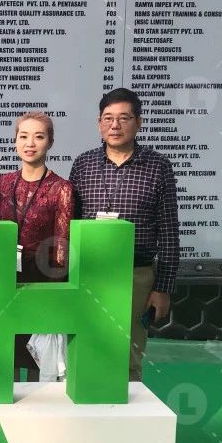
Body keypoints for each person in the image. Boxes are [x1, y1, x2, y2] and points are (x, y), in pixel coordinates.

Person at [69, 87, 180, 382]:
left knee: (128, 355)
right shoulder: (83, 165)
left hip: (136, 275)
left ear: (138, 122)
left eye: (124, 118)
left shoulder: (158, 167)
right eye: (108, 118)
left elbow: (169, 232)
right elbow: (69, 223)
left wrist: (163, 288)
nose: (115, 125)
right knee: (86, 349)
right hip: (88, 275)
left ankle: (126, 409)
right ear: (99, 123)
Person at [0, 111, 73, 381]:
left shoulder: (62, 188)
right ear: (15, 141)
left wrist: (55, 294)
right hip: (7, 279)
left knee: (39, 355)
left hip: (43, 281)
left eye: (38, 137)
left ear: (50, 142)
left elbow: (62, 245)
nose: (30, 143)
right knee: (8, 350)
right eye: (23, 136)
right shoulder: (5, 183)